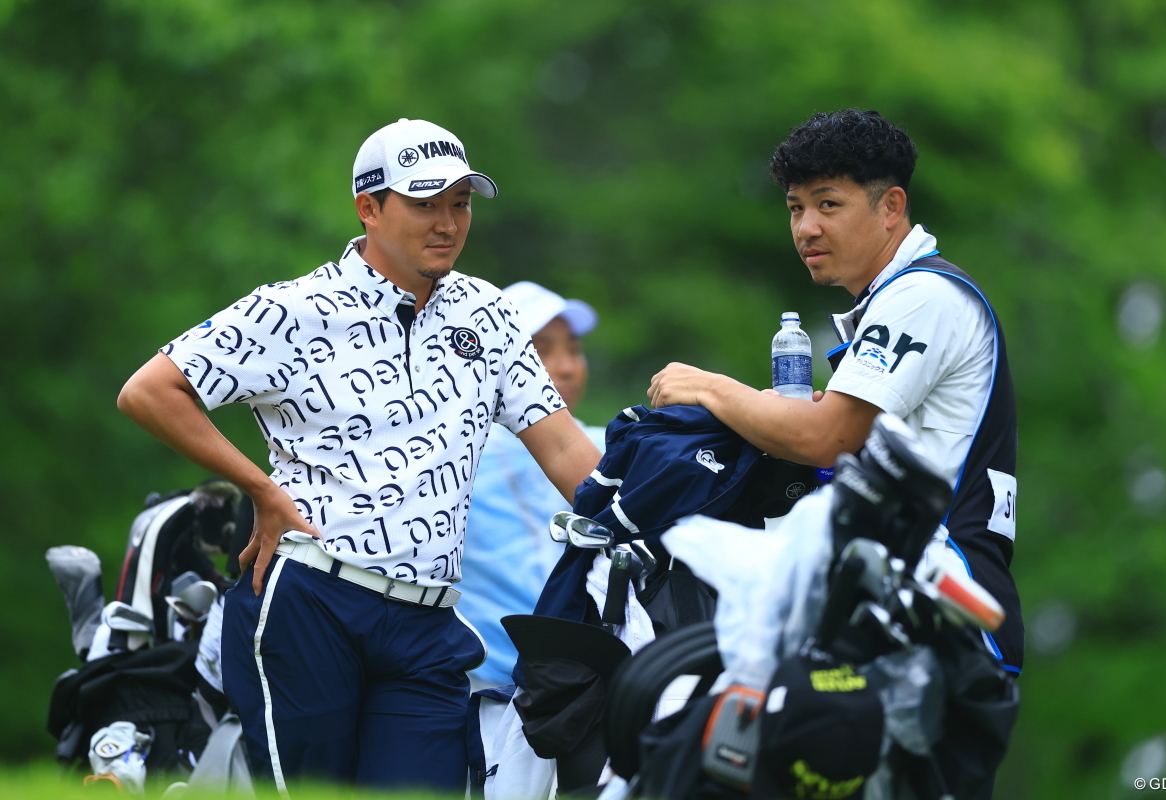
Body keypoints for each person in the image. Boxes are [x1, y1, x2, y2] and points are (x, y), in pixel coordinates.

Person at [117, 117, 602, 792]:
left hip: (428, 617)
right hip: (313, 598)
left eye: (459, 204)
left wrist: (668, 520)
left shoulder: (487, 316)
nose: (448, 223)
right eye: (425, 203)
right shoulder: (294, 309)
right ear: (368, 208)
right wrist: (261, 490)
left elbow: (565, 451)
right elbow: (150, 391)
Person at [647, 109, 1023, 679]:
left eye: (829, 204)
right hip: (909, 616)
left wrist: (707, 387)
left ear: (891, 207)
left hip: (939, 620)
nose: (805, 229)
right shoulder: (898, 297)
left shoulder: (922, 294)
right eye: (796, 208)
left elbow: (828, 439)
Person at [456, 281, 606, 689]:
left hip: (581, 690)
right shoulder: (453, 451)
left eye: (573, 349)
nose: (568, 367)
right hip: (483, 692)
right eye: (541, 350)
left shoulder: (601, 444)